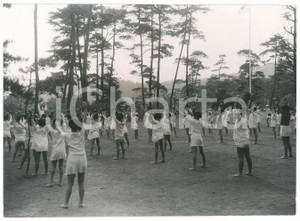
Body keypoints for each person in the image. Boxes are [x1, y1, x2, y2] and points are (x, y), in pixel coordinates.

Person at [58, 103, 88, 209]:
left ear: (70, 126)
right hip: (82, 158)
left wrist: (61, 120)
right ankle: (81, 202)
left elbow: (60, 130)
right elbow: (83, 120)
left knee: (70, 183)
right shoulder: (82, 133)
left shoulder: (67, 135)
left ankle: (66, 203)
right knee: (81, 181)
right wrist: (84, 109)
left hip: (72, 159)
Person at [232, 95, 252, 177]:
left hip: (240, 141)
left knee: (241, 157)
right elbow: (246, 108)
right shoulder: (245, 118)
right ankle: (250, 172)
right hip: (246, 140)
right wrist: (249, 100)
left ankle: (240, 173)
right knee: (248, 156)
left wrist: (237, 100)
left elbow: (237, 108)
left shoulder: (238, 118)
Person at [46, 117, 67, 187]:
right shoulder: (63, 130)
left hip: (55, 150)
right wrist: (63, 119)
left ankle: (51, 182)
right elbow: (64, 124)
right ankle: (60, 182)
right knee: (61, 167)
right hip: (62, 150)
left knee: (53, 167)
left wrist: (51, 120)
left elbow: (48, 125)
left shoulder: (53, 131)